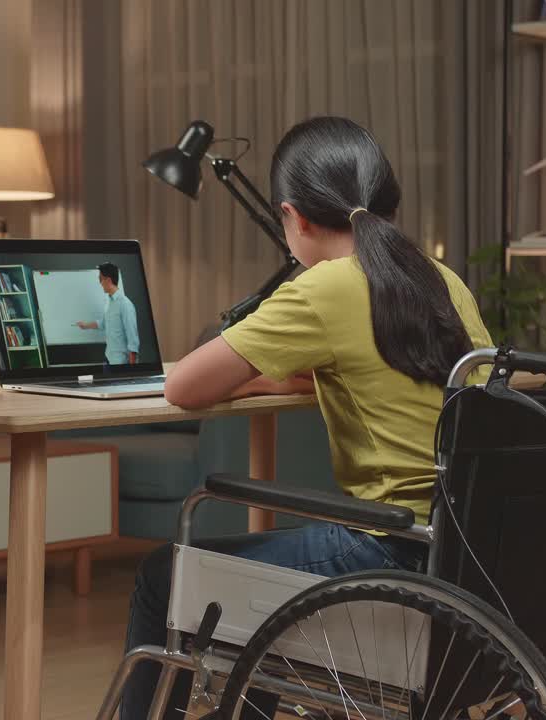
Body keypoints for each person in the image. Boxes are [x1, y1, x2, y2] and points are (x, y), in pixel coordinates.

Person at [119, 116, 492, 720]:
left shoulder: (323, 288)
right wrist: (261, 372)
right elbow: (370, 365)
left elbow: (184, 386)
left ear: (292, 217)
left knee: (164, 573)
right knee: (254, 579)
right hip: (461, 549)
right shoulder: (439, 280)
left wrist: (238, 378)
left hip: (388, 552)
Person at [76, 262, 140, 364]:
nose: (100, 282)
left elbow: (133, 341)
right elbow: (104, 323)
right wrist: (85, 325)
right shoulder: (109, 302)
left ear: (108, 280)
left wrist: (132, 372)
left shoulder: (125, 304)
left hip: (120, 363)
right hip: (109, 358)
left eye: (100, 279)